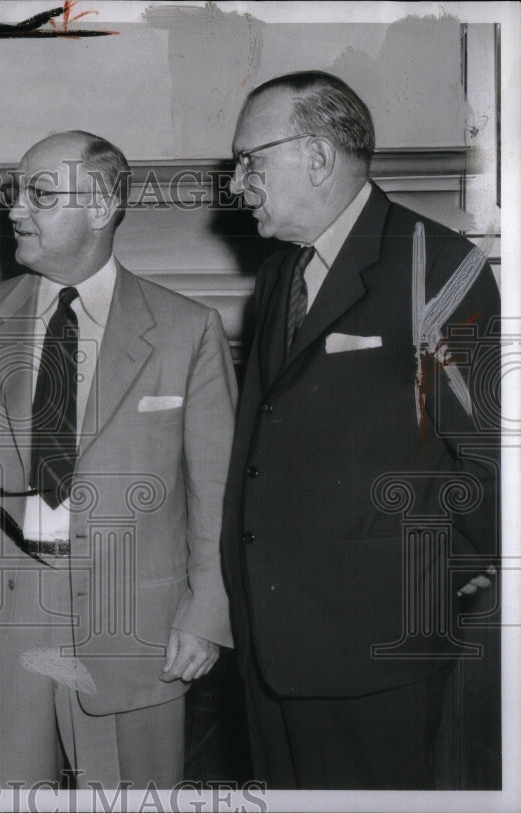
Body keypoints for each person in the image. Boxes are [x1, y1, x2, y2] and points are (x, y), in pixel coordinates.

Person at [0, 131, 237, 787]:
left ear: (100, 205)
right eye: (16, 191)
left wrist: (208, 613)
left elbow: (217, 491)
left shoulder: (187, 328)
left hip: (137, 628)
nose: (14, 210)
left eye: (39, 192)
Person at [221, 71, 500, 789]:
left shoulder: (436, 264)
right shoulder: (280, 278)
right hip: (270, 651)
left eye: (250, 161)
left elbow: (491, 456)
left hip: (372, 655)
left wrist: (445, 575)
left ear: (316, 156)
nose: (238, 184)